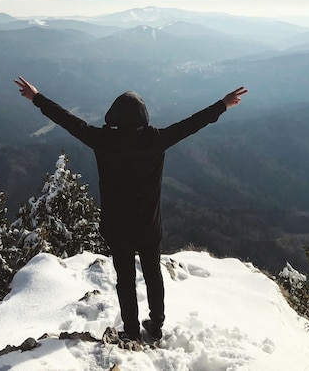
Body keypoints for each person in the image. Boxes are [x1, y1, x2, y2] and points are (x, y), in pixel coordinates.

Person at [14, 76, 247, 342]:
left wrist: (37, 98)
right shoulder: (156, 139)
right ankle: (156, 324)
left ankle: (132, 331)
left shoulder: (102, 140)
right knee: (153, 275)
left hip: (118, 227)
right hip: (148, 226)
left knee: (125, 280)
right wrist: (222, 105)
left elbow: (68, 121)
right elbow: (192, 124)